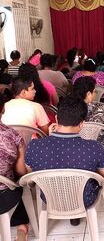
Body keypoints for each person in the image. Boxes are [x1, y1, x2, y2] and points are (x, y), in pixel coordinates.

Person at [25, 95, 104, 226]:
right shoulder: (95, 148)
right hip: (85, 199)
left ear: (56, 118)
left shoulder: (35, 146)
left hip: (50, 200)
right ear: (82, 123)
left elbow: (30, 175)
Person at [0, 93, 30, 241]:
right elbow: (20, 171)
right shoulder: (13, 136)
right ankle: (22, 226)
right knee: (17, 181)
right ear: (3, 109)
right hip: (3, 198)